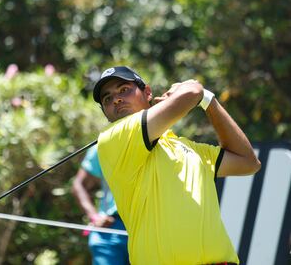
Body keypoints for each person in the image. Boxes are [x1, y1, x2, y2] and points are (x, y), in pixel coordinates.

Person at [92, 66, 261, 264]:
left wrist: (209, 101)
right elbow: (192, 92)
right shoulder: (113, 139)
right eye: (107, 99)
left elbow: (248, 162)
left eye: (124, 90)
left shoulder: (189, 148)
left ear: (147, 92)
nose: (116, 99)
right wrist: (194, 91)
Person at [72, 145, 129, 265]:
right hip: (110, 228)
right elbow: (78, 185)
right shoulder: (103, 146)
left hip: (148, 227)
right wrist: (94, 217)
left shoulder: (162, 141)